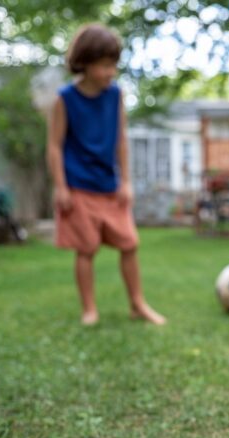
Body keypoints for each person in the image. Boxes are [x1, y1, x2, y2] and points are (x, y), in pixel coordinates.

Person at [47, 23, 165, 326]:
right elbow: (55, 146)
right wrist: (60, 186)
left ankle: (138, 304)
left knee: (130, 244)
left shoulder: (115, 96)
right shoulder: (65, 99)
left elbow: (121, 141)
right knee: (86, 250)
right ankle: (90, 309)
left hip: (109, 186)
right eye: (104, 65)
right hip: (79, 186)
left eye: (113, 65)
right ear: (84, 64)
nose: (111, 72)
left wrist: (126, 182)